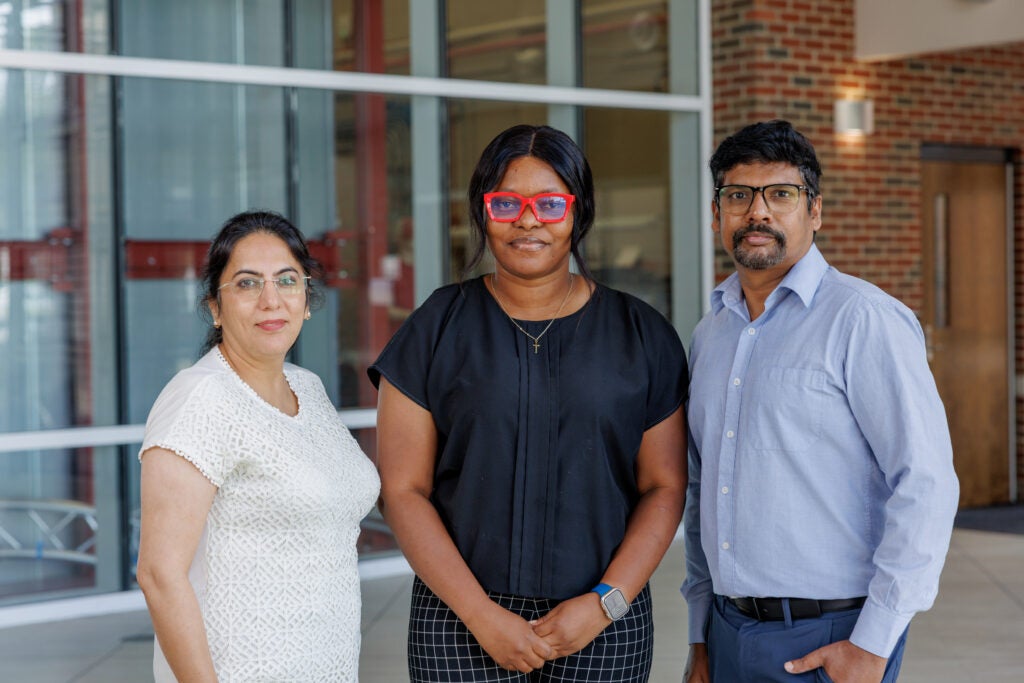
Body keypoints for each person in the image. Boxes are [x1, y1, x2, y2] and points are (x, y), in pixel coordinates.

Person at [369, 124, 688, 682]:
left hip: (604, 621)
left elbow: (663, 485)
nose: (528, 220)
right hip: (458, 618)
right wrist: (480, 615)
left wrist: (605, 603)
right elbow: (402, 489)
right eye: (506, 203)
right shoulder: (436, 327)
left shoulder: (641, 334)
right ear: (483, 211)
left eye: (550, 203)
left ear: (578, 212)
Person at [681, 120, 960, 683]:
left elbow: (926, 482)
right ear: (716, 214)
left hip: (834, 635)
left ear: (815, 211)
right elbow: (701, 488)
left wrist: (873, 645)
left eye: (781, 194)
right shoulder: (710, 334)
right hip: (727, 629)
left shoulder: (864, 320)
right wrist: (700, 632)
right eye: (738, 196)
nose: (757, 212)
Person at [136, 210, 380, 682]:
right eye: (247, 284)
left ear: (306, 300)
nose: (271, 300)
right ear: (215, 307)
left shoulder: (306, 387)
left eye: (287, 281)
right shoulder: (199, 398)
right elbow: (159, 575)